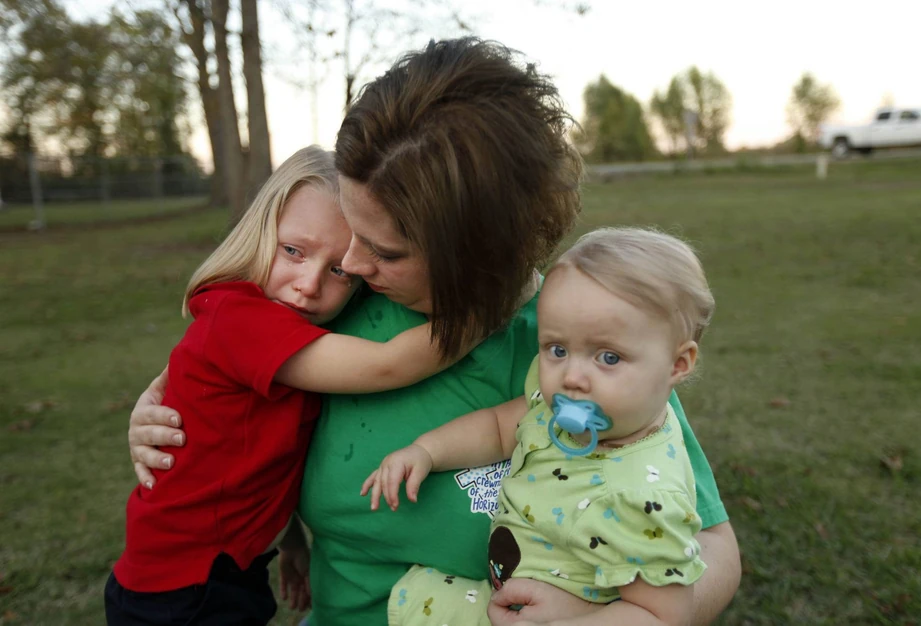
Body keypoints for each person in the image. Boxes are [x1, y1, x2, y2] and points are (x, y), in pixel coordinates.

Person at [126, 38, 741, 626]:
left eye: (386, 252)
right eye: (351, 232)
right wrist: (156, 407)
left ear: (474, 254)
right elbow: (224, 358)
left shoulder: (571, 352)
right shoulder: (337, 300)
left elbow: (714, 547)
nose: (355, 265)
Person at [106, 146, 471, 626]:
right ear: (260, 231)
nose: (308, 285)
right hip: (181, 590)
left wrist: (291, 539)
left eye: (338, 270)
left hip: (230, 568)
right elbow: (386, 365)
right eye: (293, 251)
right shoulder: (239, 318)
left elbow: (260, 459)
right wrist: (481, 309)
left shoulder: (289, 329)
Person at [364, 227, 714, 626]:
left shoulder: (643, 498)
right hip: (503, 594)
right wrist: (426, 451)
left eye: (609, 358)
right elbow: (499, 428)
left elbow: (662, 616)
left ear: (677, 364)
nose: (573, 376)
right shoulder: (565, 406)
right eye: (558, 349)